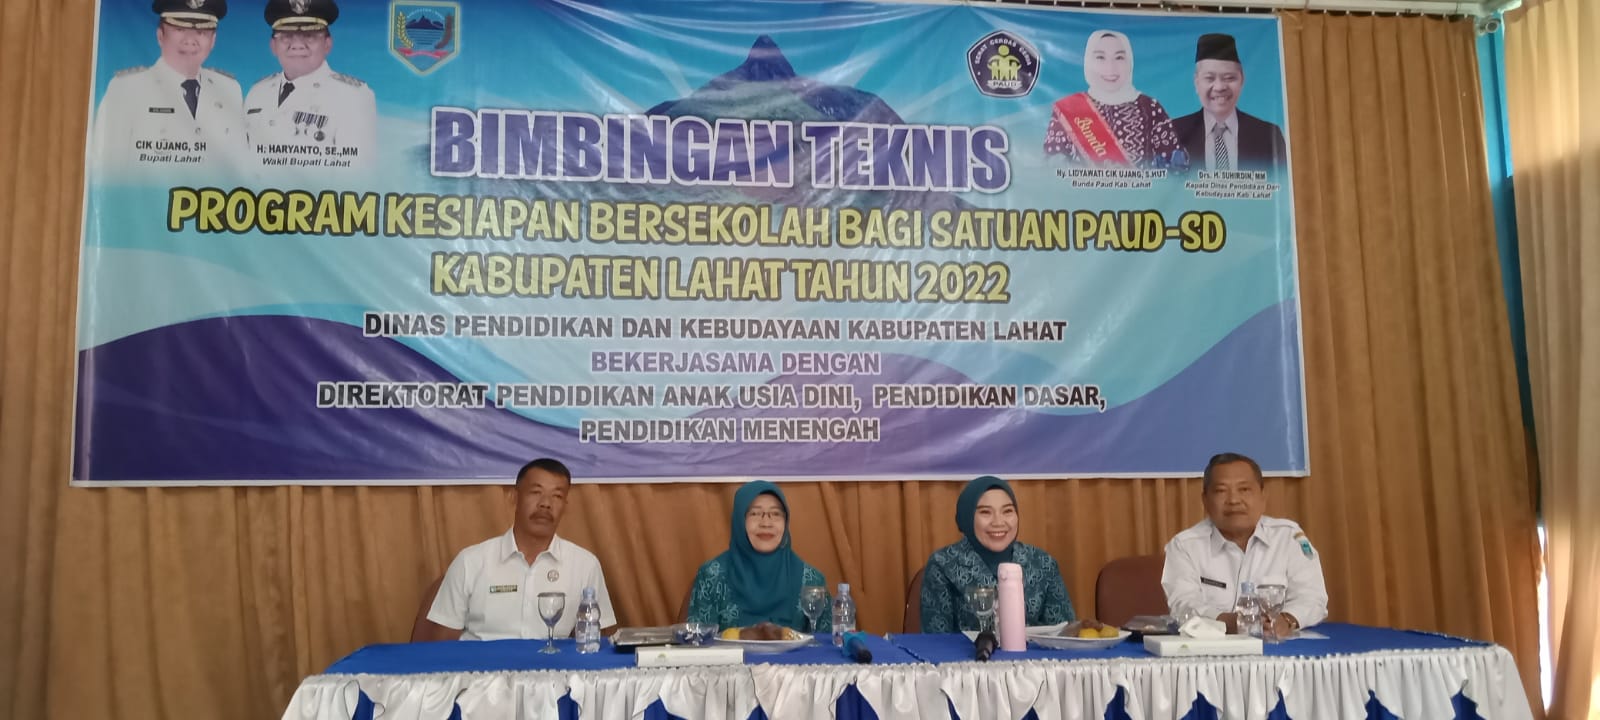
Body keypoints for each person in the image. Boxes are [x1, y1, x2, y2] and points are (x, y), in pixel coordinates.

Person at [420, 458, 616, 641]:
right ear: (514, 497)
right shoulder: (470, 561)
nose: (545, 504)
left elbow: (599, 640)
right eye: (536, 492)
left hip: (551, 666)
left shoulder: (585, 565)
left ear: (565, 506)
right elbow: (442, 644)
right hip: (481, 667)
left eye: (557, 496)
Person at [1161, 453, 1328, 636]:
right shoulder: (1184, 546)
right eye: (1221, 491)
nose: (1233, 500)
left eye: (1244, 489)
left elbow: (1312, 597)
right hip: (1211, 648)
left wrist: (1287, 620)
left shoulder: (1288, 538)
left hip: (1277, 646)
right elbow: (1183, 606)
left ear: (1263, 496)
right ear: (1205, 501)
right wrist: (1231, 622)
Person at [91, 0, 249, 175]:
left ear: (213, 40)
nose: (190, 41)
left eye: (201, 32)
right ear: (160, 35)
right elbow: (105, 170)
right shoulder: (125, 90)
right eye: (179, 29)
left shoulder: (229, 89)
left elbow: (241, 169)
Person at [920, 475, 1074, 633]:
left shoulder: (1042, 563)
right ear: (967, 517)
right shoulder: (943, 564)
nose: (999, 522)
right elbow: (935, 639)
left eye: (1007, 511)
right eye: (985, 512)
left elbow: (1065, 633)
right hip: (965, 650)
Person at [244, 0, 377, 170]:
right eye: (286, 36)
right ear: (273, 46)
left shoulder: (352, 96)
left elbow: (357, 175)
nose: (297, 45)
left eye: (310, 35)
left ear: (327, 44)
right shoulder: (257, 92)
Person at [687, 481, 831, 632]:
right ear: (739, 520)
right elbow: (698, 641)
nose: (766, 523)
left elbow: (825, 643)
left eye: (775, 514)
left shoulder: (811, 581)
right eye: (755, 513)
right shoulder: (712, 575)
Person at [1044, 29, 1181, 169]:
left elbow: (1176, 168)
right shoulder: (1069, 108)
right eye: (1100, 57)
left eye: (1119, 57)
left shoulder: (1150, 108)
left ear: (1130, 62)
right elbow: (1051, 169)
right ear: (1088, 61)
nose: (1110, 67)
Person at [1170, 34, 1288, 173]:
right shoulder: (1172, 133)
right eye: (1209, 78)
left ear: (1242, 80)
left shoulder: (1269, 136)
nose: (1219, 87)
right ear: (1196, 82)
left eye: (1229, 78)